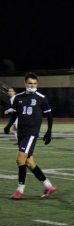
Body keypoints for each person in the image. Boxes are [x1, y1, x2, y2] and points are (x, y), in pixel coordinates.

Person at [3, 72, 56, 200]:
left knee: (20, 159)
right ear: (25, 83)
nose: (32, 86)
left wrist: (49, 132)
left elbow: (49, 116)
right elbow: (15, 114)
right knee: (29, 162)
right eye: (30, 83)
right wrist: (8, 125)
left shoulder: (41, 97)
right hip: (21, 133)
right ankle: (49, 186)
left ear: (37, 84)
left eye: (35, 84)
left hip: (31, 133)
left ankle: (20, 190)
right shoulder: (18, 97)